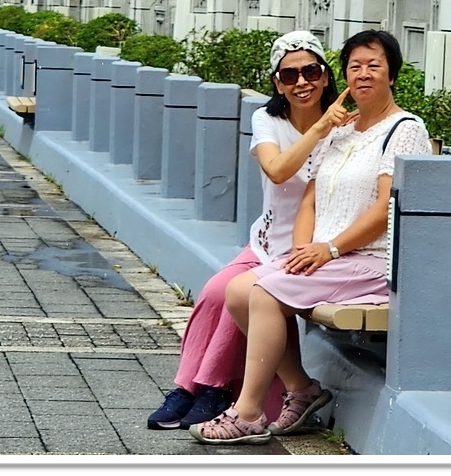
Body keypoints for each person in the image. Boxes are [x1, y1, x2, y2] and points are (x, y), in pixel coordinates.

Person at [189, 29, 432, 445]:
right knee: (239, 291)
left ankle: (247, 414)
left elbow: (384, 210)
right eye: (355, 66)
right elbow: (309, 203)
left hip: (369, 261)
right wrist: (302, 250)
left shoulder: (404, 129)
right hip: (330, 258)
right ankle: (303, 391)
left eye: (374, 65)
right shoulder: (342, 130)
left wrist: (331, 248)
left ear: (393, 74)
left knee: (264, 294)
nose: (364, 74)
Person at [147, 30, 353, 430]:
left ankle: (215, 388)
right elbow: (277, 170)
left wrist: (331, 127)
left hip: (310, 248)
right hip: (267, 242)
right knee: (213, 292)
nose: (301, 83)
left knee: (240, 294)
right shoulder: (267, 119)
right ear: (277, 83)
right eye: (289, 76)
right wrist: (318, 129)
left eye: (310, 71)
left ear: (326, 76)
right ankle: (189, 387)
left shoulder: (348, 127)